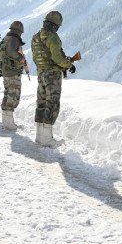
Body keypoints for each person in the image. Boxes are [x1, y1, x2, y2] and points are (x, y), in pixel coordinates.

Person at [30, 10, 75, 146]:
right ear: (55, 25)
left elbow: (35, 57)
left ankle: (39, 136)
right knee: (52, 104)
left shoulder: (36, 37)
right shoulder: (53, 37)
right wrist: (69, 65)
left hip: (41, 73)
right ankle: (47, 139)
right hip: (52, 75)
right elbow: (56, 57)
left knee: (42, 102)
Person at [0, 21, 29, 131]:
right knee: (13, 95)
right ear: (19, 31)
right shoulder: (14, 39)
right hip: (12, 71)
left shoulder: (6, 38)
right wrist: (20, 59)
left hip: (6, 71)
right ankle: (8, 124)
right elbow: (11, 51)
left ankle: (7, 121)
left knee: (8, 94)